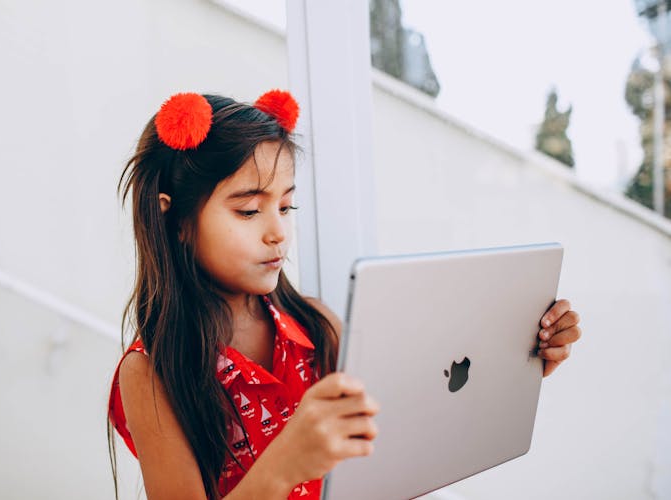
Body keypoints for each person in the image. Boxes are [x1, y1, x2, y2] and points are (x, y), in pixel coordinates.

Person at [106, 90, 583, 500]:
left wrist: (519, 359)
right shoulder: (150, 371)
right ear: (175, 221)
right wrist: (285, 465)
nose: (278, 233)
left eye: (287, 206)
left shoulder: (316, 326)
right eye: (250, 210)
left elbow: (401, 447)